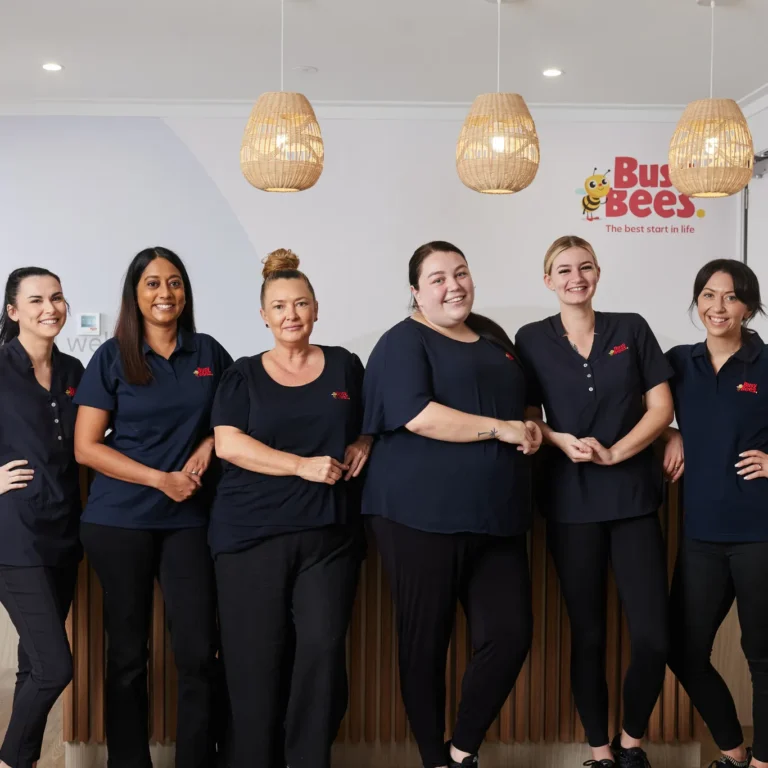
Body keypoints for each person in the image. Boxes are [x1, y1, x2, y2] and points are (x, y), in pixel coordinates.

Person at [362, 241, 540, 768]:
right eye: (437, 278)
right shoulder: (402, 342)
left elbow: (524, 402)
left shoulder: (494, 337)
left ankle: (461, 751)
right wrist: (500, 428)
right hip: (418, 517)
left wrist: (531, 428)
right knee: (425, 645)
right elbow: (419, 416)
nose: (453, 285)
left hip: (498, 516)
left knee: (510, 635)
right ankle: (432, 760)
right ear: (416, 292)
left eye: (460, 273)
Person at [515, 235, 673, 768]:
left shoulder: (632, 327)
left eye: (584, 267)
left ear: (598, 273)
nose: (574, 277)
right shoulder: (530, 338)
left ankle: (632, 741)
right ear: (548, 280)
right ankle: (600, 751)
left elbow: (660, 407)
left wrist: (618, 452)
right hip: (569, 502)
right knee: (587, 634)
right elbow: (529, 415)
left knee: (653, 633)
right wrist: (561, 441)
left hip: (632, 498)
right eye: (563, 270)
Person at [73, 247, 232, 768]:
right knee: (126, 657)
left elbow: (231, 425)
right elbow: (86, 447)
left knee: (196, 653)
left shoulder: (209, 352)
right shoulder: (112, 357)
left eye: (175, 283)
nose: (166, 293)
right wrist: (159, 479)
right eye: (152, 284)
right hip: (120, 520)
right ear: (135, 295)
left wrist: (207, 445)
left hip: (188, 520)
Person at [210, 248, 368, 768]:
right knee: (255, 664)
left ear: (317, 308)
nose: (291, 315)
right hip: (250, 537)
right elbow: (229, 444)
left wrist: (365, 440)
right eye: (279, 306)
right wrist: (301, 466)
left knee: (322, 655)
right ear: (263, 315)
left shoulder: (346, 364)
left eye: (300, 304)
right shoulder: (242, 374)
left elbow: (375, 420)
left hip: (329, 536)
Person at [663, 259, 768, 768]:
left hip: (759, 533)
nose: (717, 307)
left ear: (749, 306)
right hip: (701, 534)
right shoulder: (678, 362)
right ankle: (735, 753)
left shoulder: (767, 365)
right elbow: (642, 409)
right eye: (708, 295)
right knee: (683, 650)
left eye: (730, 297)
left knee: (763, 657)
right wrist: (670, 431)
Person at [0, 267, 84, 768]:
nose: (49, 308)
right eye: (35, 300)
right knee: (55, 668)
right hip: (14, 536)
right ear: (13, 311)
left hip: (64, 533)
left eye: (56, 297)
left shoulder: (76, 372)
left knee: (34, 665)